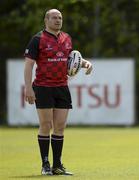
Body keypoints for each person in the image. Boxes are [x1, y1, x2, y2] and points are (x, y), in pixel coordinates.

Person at [24, 9, 92, 176]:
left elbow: (71, 58)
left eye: (60, 17)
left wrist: (86, 64)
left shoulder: (66, 38)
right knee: (46, 125)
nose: (58, 20)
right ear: (46, 20)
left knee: (60, 127)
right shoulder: (37, 39)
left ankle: (57, 165)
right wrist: (28, 88)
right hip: (43, 87)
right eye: (54, 17)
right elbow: (28, 65)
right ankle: (45, 164)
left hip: (62, 87)